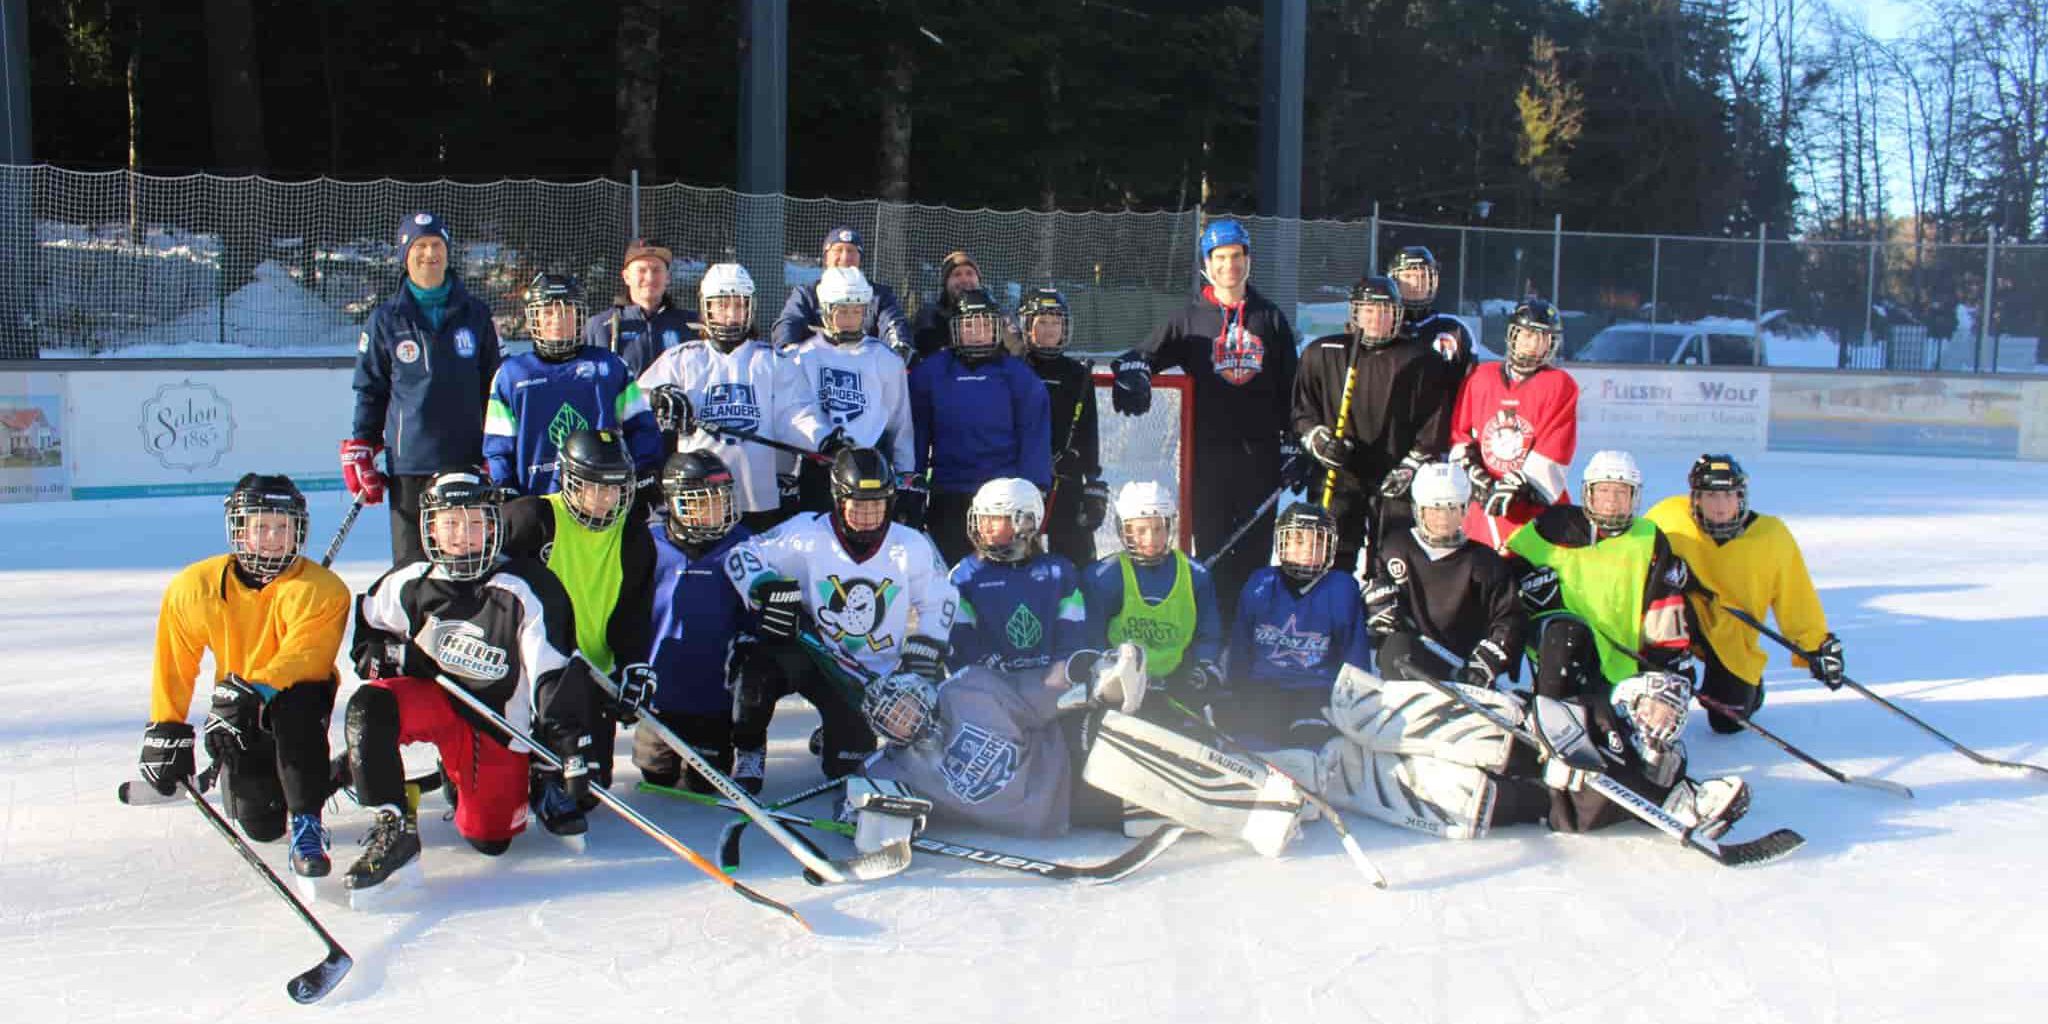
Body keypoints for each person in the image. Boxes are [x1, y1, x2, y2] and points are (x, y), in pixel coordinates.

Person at [341, 470, 605, 894]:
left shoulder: (526, 585)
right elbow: (368, 648)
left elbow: (553, 672)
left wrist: (570, 744)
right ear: (431, 528)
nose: (463, 535)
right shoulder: (409, 580)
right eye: (451, 523)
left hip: (495, 722)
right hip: (436, 700)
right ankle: (393, 826)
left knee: (491, 839)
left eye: (476, 522)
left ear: (495, 525)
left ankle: (533, 779)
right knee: (369, 708)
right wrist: (394, 656)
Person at [857, 645, 1312, 857]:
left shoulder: (969, 689)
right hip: (1068, 808)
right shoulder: (897, 769)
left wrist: (1090, 671)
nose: (904, 721)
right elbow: (860, 802)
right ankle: (1261, 802)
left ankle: (1282, 781)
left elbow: (1039, 688)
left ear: (919, 690)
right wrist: (868, 817)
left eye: (903, 707)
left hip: (1070, 752)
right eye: (891, 721)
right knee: (1147, 814)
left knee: (1145, 754)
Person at [1504, 450, 1749, 834]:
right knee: (1566, 636)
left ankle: (1672, 792)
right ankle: (1557, 740)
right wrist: (1529, 587)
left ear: (1635, 497)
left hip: (1623, 668)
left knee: (1624, 735)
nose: (1613, 502)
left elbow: (1664, 609)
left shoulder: (1648, 538)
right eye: (1604, 493)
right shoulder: (1554, 526)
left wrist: (1672, 672)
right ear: (1588, 494)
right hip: (1565, 658)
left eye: (1622, 493)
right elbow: (1502, 574)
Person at [137, 474, 351, 878]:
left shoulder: (323, 590)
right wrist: (167, 726)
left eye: (283, 527)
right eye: (261, 527)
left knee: (296, 704)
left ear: (298, 531)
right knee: (262, 826)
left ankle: (308, 823)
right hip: (238, 709)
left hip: (294, 696)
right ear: (239, 530)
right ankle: (337, 773)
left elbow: (307, 656)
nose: (273, 537)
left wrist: (251, 690)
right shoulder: (193, 587)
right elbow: (175, 661)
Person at [722, 447, 959, 783]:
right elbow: (741, 553)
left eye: (876, 505)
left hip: (866, 681)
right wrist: (764, 586)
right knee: (756, 673)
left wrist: (928, 643)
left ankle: (833, 733)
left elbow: (943, 598)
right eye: (858, 506)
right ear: (838, 499)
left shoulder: (911, 544)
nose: (867, 516)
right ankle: (749, 750)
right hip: (813, 656)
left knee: (846, 772)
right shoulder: (807, 533)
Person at [1112, 218, 1298, 623]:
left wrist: (1292, 443)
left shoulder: (1272, 318)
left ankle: (1247, 640)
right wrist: (1131, 373)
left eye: (1236, 257)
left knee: (1252, 551)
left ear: (1248, 261)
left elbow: (1292, 390)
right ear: (1207, 265)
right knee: (1211, 548)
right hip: (1206, 457)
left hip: (1260, 459)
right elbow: (1142, 355)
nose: (1229, 265)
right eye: (1220, 258)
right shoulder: (1189, 318)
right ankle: (1210, 636)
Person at [497, 429, 657, 795]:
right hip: (524, 678)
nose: (606, 498)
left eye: (615, 488)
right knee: (507, 792)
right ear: (570, 481)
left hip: (588, 678)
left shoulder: (633, 536)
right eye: (594, 487)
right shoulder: (532, 517)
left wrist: (634, 664)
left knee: (587, 793)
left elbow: (634, 614)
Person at [344, 211, 502, 566]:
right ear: (405, 255)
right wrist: (361, 445)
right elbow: (371, 390)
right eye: (420, 245)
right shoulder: (385, 319)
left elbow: (495, 387)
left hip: (467, 459)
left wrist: (496, 448)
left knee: (468, 561)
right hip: (410, 464)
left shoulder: (475, 314)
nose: (429, 253)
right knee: (412, 567)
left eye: (436, 245)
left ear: (447, 253)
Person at [638, 263, 845, 532]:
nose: (732, 315)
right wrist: (656, 397)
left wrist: (823, 440)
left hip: (755, 498)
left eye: (739, 305)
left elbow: (795, 414)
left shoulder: (772, 361)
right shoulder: (683, 358)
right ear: (707, 308)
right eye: (722, 306)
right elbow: (627, 402)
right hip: (698, 500)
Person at [1644, 454, 1844, 733]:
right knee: (1660, 611)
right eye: (1711, 496)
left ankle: (1751, 688)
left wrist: (1815, 647)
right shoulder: (1668, 518)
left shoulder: (1771, 536)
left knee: (1727, 721)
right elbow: (1630, 563)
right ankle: (1661, 678)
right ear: (1696, 498)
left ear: (1741, 497)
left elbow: (1795, 595)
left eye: (1728, 495)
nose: (1720, 505)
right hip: (1679, 623)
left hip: (1732, 636)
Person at [632, 450, 778, 794]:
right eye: (700, 503)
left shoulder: (742, 544)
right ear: (674, 502)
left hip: (714, 697)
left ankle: (732, 741)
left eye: (719, 501)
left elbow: (754, 612)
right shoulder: (649, 545)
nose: (713, 512)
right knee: (656, 777)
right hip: (660, 695)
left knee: (703, 784)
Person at [1292, 274, 1447, 580]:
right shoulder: (1322, 353)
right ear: (1355, 312)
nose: (1378, 317)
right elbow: (1301, 412)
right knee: (1331, 557)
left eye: (1387, 309)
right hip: (1339, 477)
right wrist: (1318, 440)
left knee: (1393, 561)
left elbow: (1434, 424)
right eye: (1370, 309)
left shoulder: (1421, 360)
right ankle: (1332, 616)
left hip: (1394, 479)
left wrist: (1411, 467)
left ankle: (1385, 622)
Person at [484, 273, 663, 499]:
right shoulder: (511, 374)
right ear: (533, 318)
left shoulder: (609, 367)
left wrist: (642, 474)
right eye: (548, 312)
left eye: (567, 312)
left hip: (601, 502)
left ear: (580, 316)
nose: (557, 320)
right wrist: (505, 486)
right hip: (537, 501)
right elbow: (498, 447)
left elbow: (641, 428)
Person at [909, 287, 1053, 566]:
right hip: (948, 491)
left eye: (985, 324)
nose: (978, 332)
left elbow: (1034, 436)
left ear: (997, 329)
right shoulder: (931, 373)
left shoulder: (1019, 376)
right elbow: (915, 433)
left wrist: (1033, 487)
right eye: (969, 325)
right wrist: (911, 483)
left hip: (1003, 497)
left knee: (1001, 570)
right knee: (951, 572)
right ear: (956, 330)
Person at [1217, 502, 1372, 751]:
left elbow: (1355, 657)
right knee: (1253, 744)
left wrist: (1355, 704)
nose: (1309, 550)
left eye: (1318, 542)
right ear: (1282, 543)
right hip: (1265, 687)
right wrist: (1237, 692)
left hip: (1316, 691)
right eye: (1299, 541)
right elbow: (1241, 646)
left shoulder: (1342, 588)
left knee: (1307, 747)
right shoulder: (1261, 583)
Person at [1363, 463, 1525, 689]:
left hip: (1462, 670)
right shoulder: (1395, 549)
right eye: (1435, 509)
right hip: (1410, 664)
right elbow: (1374, 590)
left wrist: (1489, 658)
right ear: (1418, 509)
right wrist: (1378, 608)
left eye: (1452, 508)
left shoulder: (1485, 561)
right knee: (1395, 647)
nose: (1443, 518)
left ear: (1465, 509)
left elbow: (1509, 617)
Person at [1081, 480, 1223, 722]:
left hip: (1177, 682)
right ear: (1123, 530)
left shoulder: (1196, 575)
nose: (1151, 538)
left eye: (1159, 528)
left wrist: (1203, 666)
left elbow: (1208, 634)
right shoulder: (1103, 576)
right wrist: (1106, 674)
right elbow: (1092, 638)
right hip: (1121, 686)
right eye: (1140, 530)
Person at [1450, 299, 1579, 551]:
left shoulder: (1560, 384)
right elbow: (1460, 433)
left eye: (1544, 338)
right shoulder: (1480, 377)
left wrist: (1518, 486)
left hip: (1535, 512)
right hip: (1482, 508)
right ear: (1513, 335)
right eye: (1529, 335)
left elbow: (1556, 448)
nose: (1535, 344)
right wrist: (1473, 473)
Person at [787, 266, 916, 515]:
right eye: (842, 311)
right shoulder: (801, 357)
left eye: (857, 311)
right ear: (825, 310)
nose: (850, 318)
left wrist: (905, 475)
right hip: (818, 470)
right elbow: (793, 416)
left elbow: (900, 424)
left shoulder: (886, 359)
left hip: (870, 471)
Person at [947, 477, 1089, 675]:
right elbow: (961, 640)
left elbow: (1072, 633)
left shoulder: (1059, 573)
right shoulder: (964, 576)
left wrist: (1062, 667)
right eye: (981, 518)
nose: (984, 528)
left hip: (1048, 683)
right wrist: (991, 669)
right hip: (989, 684)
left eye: (995, 519)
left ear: (1028, 521)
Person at [1018, 287, 1109, 568]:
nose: (1049, 330)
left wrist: (1092, 482)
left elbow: (1088, 432)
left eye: (1056, 323)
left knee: (1075, 560)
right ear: (1027, 326)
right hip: (1023, 480)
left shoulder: (1077, 374)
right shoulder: (1015, 369)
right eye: (1042, 322)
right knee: (1021, 559)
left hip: (1067, 480)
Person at [771, 226, 912, 357]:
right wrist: (788, 348)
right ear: (826, 257)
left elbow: (893, 324)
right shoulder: (807, 294)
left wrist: (900, 349)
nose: (845, 257)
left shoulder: (879, 296)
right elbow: (789, 322)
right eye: (838, 250)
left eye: (851, 251)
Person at [585, 237, 696, 377]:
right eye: (641, 270)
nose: (649, 278)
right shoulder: (600, 327)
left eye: (656, 270)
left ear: (667, 277)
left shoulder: (691, 325)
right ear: (626, 277)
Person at [1387, 244, 1477, 379]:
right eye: (1408, 275)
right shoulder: (1381, 326)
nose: (1416, 283)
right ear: (1394, 280)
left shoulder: (1454, 329)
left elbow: (1470, 384)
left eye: (1423, 276)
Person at [910, 250, 993, 359]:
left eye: (969, 273)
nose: (964, 280)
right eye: (957, 274)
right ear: (946, 283)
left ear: (979, 280)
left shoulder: (996, 313)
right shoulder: (930, 315)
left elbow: (1015, 348)